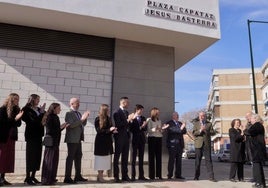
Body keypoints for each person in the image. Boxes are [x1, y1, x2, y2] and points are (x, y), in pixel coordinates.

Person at [64, 98, 90, 184]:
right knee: (70, 157)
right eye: (77, 103)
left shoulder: (78, 113)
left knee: (78, 157)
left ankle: (77, 176)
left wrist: (85, 118)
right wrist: (82, 119)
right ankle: (67, 177)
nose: (78, 104)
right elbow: (71, 125)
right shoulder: (69, 113)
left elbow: (83, 124)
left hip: (78, 139)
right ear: (71, 103)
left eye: (79, 103)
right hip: (72, 139)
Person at [41, 103, 68, 185]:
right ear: (54, 108)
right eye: (59, 108)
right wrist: (60, 127)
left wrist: (62, 127)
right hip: (50, 143)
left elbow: (56, 131)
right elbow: (49, 131)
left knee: (54, 161)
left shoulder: (55, 117)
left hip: (55, 142)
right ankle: (46, 179)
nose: (60, 110)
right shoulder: (49, 117)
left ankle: (52, 178)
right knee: (49, 161)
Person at [21, 94, 46, 185]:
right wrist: (42, 113)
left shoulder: (39, 109)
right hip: (31, 136)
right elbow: (33, 121)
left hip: (39, 135)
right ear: (32, 99)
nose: (38, 101)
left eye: (39, 99)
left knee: (37, 156)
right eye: (37, 99)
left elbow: (44, 118)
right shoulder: (26, 109)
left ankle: (33, 176)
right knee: (30, 156)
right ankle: (27, 177)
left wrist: (44, 114)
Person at [0, 93, 24, 186]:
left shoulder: (16, 109)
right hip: (3, 136)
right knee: (1, 157)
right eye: (16, 99)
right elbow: (2, 123)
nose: (17, 101)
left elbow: (18, 124)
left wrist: (18, 118)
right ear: (11, 99)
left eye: (18, 99)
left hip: (12, 136)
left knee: (7, 157)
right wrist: (15, 119)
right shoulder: (2, 109)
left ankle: (2, 178)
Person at [94, 104, 116, 182]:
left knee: (105, 159)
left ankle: (100, 176)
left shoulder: (109, 118)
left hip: (108, 141)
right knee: (100, 159)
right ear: (104, 110)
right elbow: (99, 131)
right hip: (100, 142)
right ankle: (100, 177)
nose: (109, 111)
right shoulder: (97, 119)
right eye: (108, 110)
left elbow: (110, 128)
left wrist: (113, 131)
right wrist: (109, 130)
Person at [113, 97, 133, 182]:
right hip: (119, 137)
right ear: (123, 102)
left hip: (126, 137)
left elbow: (127, 125)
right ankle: (116, 176)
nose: (128, 104)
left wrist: (131, 121)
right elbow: (119, 124)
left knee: (125, 157)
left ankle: (125, 175)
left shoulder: (126, 112)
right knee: (117, 157)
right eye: (127, 103)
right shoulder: (116, 112)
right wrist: (128, 120)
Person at [192, 111, 216, 182]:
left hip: (207, 144)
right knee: (197, 161)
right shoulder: (196, 124)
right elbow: (194, 133)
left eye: (203, 116)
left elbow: (213, 132)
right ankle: (196, 176)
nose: (202, 117)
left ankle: (211, 177)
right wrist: (200, 130)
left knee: (208, 160)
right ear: (199, 117)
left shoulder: (209, 124)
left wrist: (206, 130)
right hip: (198, 144)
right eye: (200, 116)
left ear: (205, 116)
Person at [147, 107, 169, 180]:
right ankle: (151, 176)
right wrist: (155, 129)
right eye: (157, 112)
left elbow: (161, 131)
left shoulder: (159, 120)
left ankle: (159, 175)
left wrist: (163, 129)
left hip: (159, 138)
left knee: (159, 157)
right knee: (151, 157)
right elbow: (148, 130)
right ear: (154, 112)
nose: (159, 113)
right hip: (152, 138)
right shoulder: (149, 120)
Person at [245, 114, 266, 188]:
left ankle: (259, 183)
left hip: (257, 149)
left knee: (257, 166)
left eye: (252, 118)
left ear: (255, 119)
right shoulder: (259, 125)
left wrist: (245, 130)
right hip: (258, 148)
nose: (250, 120)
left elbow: (249, 132)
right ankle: (262, 183)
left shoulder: (257, 125)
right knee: (258, 166)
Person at [129, 104, 148, 181]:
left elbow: (145, 128)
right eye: (141, 110)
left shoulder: (143, 118)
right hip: (135, 139)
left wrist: (144, 126)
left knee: (141, 158)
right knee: (133, 158)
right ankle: (133, 176)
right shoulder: (132, 117)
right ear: (137, 110)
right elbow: (130, 128)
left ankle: (141, 175)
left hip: (142, 140)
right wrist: (132, 121)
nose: (142, 112)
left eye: (142, 110)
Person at [166, 112, 186, 180]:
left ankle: (178, 175)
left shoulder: (180, 123)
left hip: (180, 145)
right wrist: (180, 129)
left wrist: (181, 129)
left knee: (179, 161)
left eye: (177, 115)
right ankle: (169, 175)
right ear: (173, 116)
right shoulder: (169, 123)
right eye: (175, 115)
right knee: (171, 160)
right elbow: (172, 130)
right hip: (172, 144)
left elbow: (184, 131)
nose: (177, 116)